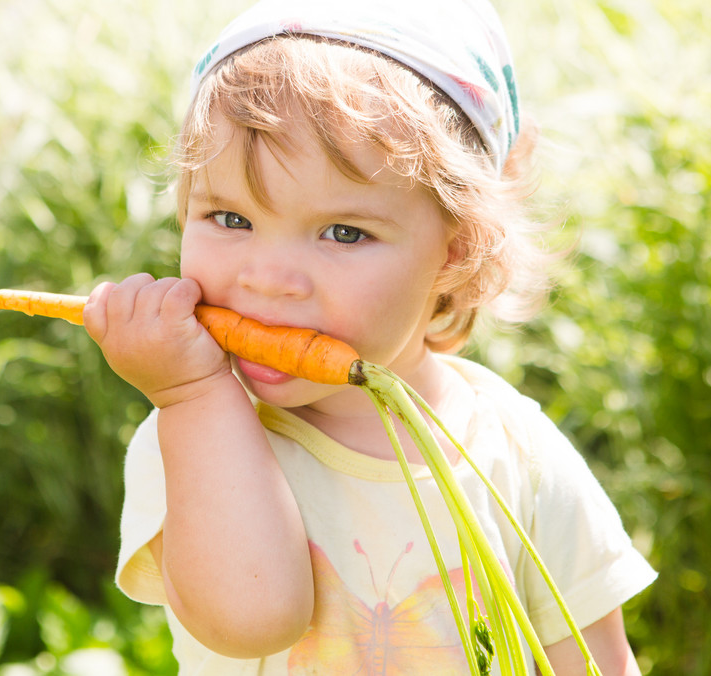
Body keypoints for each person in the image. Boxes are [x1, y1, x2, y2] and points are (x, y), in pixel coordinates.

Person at [83, 0, 657, 672]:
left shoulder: (514, 454)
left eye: (344, 233)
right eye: (230, 218)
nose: (269, 280)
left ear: (456, 248)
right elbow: (253, 620)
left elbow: (595, 663)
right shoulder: (198, 435)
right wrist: (192, 396)